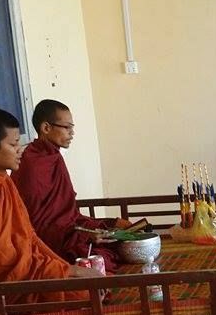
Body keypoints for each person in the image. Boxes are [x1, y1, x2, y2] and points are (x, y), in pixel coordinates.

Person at [0, 108, 101, 315]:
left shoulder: (2, 181)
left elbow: (28, 238)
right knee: (84, 295)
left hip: (13, 276)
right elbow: (6, 263)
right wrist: (69, 271)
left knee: (85, 287)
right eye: (13, 144)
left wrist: (64, 269)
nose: (20, 150)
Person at [12, 100, 129, 272]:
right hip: (49, 240)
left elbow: (67, 214)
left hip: (67, 229)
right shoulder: (31, 163)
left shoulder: (54, 156)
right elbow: (38, 224)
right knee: (99, 258)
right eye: (67, 127)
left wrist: (99, 226)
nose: (72, 133)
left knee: (121, 236)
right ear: (46, 128)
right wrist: (82, 235)